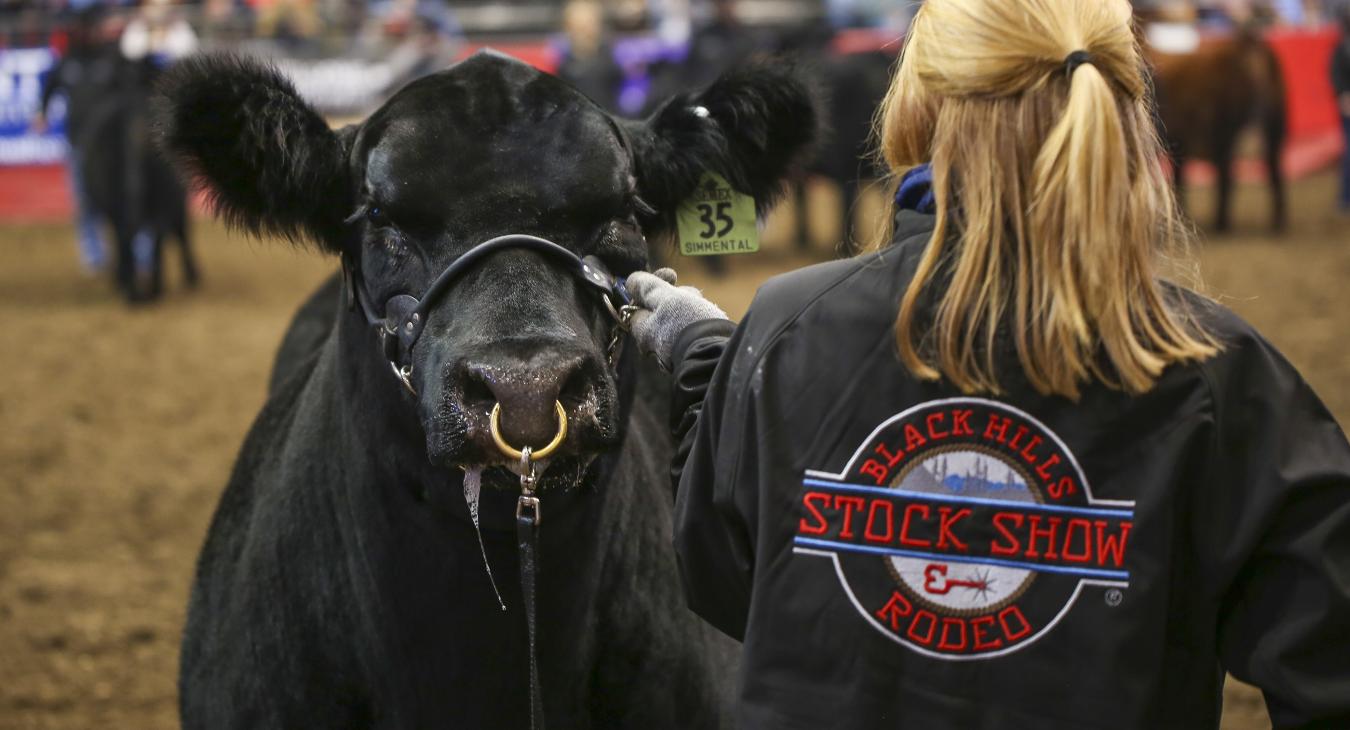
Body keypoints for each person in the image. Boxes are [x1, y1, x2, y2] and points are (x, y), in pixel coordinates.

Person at [624, 0, 1350, 727]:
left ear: (916, 108)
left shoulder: (787, 329)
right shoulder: (1216, 372)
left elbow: (729, 581)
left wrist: (717, 370)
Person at [1333, 8, 1350, 212]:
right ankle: (1345, 198)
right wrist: (1343, 95)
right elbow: (1336, 76)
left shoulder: (1341, 49)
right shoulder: (1341, 49)